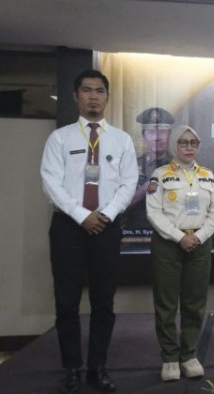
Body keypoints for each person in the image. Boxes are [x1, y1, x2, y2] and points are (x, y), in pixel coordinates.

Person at [40, 69, 138, 394]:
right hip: (68, 227)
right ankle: (71, 368)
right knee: (67, 302)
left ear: (107, 97)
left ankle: (98, 366)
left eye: (99, 91)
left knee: (103, 302)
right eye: (86, 90)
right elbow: (51, 183)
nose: (93, 96)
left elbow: (129, 184)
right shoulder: (60, 138)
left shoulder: (121, 140)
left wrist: (105, 215)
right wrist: (82, 215)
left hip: (106, 229)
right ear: (76, 96)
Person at [146, 125, 214, 381]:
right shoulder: (160, 175)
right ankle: (169, 357)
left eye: (194, 143)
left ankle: (189, 355)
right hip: (168, 244)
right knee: (166, 304)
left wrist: (198, 237)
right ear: (174, 146)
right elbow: (154, 212)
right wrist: (180, 237)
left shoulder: (207, 175)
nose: (189, 147)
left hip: (200, 244)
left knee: (194, 302)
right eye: (183, 143)